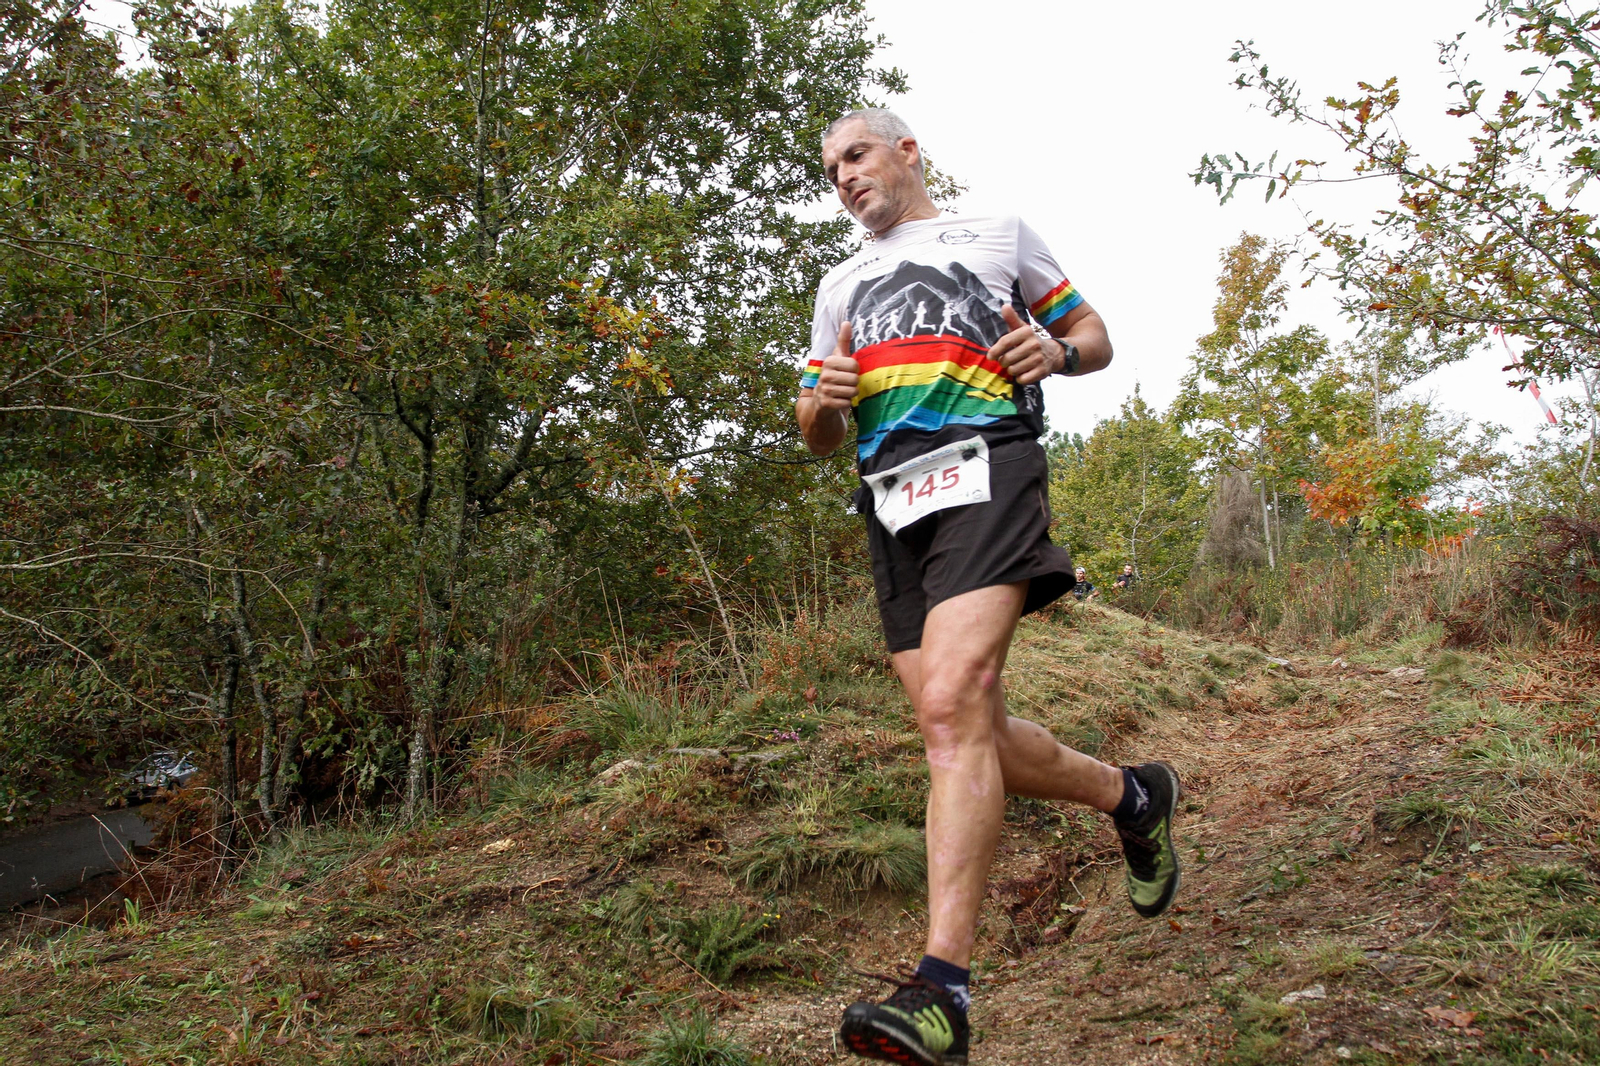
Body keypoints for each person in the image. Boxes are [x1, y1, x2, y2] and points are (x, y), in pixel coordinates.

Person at [795, 108, 1183, 1066]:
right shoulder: (839, 283)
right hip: (892, 500)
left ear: (906, 150)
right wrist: (822, 404)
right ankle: (1133, 796)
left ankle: (943, 991)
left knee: (952, 703)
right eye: (831, 170)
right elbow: (815, 426)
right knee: (965, 725)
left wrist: (1059, 353)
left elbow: (1092, 334)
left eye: (856, 155)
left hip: (989, 465)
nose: (844, 177)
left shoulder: (998, 233)